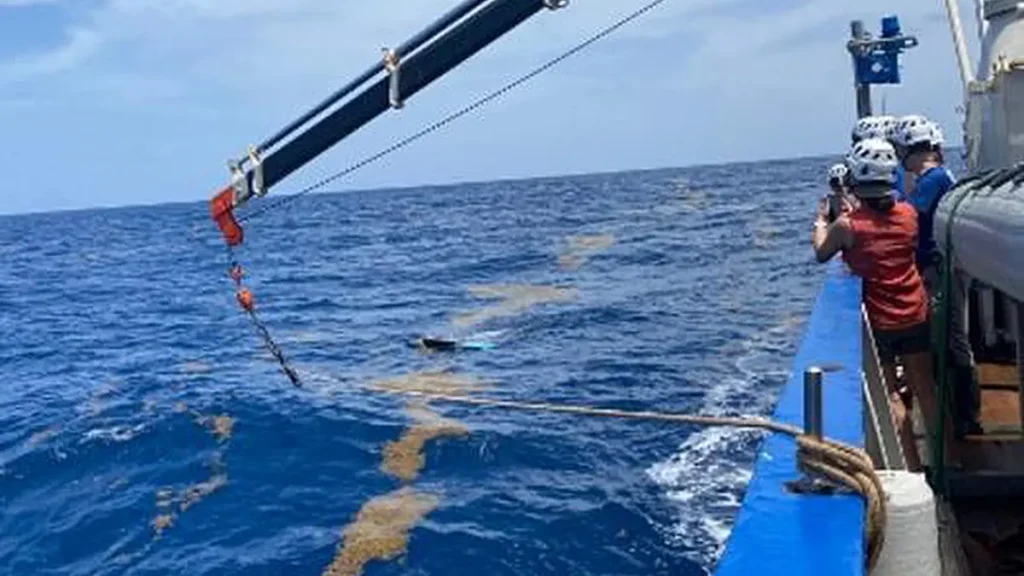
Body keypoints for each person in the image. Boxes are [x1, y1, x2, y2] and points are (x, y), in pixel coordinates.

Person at [812, 137, 955, 471]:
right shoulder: (907, 214)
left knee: (892, 395)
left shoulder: (848, 226)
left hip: (881, 320)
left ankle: (915, 468)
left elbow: (822, 252)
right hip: (915, 310)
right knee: (926, 389)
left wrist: (821, 222)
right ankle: (952, 459)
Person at [897, 119, 983, 437]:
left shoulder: (932, 181)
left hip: (942, 269)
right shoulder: (935, 178)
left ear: (909, 150)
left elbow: (906, 215)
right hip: (941, 267)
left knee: (953, 339)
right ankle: (960, 414)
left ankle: (965, 417)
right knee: (950, 337)